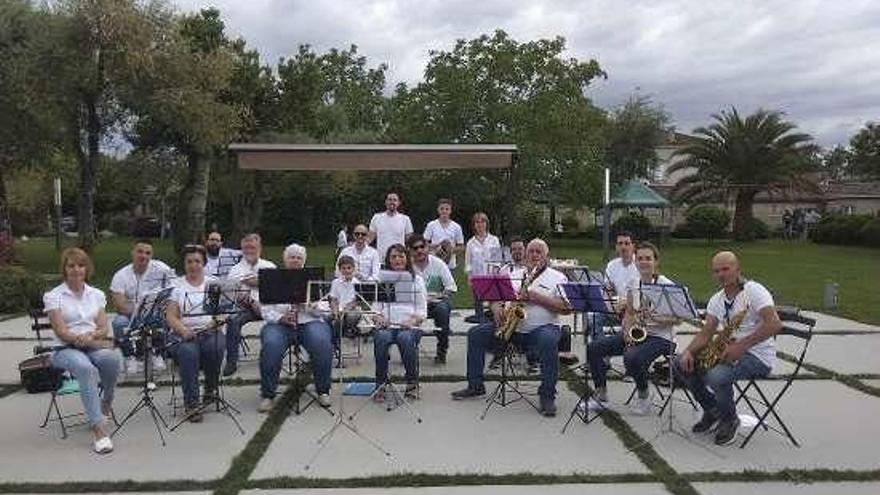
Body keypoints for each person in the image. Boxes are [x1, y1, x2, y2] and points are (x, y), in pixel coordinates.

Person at [673, 251, 782, 446]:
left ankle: (730, 419)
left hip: (758, 356)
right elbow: (706, 333)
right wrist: (689, 352)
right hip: (729, 350)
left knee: (716, 376)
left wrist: (742, 345)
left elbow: (774, 324)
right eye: (716, 271)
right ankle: (713, 410)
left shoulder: (754, 291)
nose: (721, 274)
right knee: (679, 363)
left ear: (738, 269)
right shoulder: (717, 299)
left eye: (726, 269)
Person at [452, 239, 570, 417]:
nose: (534, 255)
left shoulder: (558, 277)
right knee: (476, 334)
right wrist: (496, 307)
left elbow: (566, 308)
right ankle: (475, 385)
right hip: (512, 327)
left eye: (539, 252)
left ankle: (547, 396)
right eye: (531, 251)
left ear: (546, 256)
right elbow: (495, 297)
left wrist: (536, 298)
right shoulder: (515, 273)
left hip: (543, 328)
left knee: (547, 341)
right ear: (526, 254)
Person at [583, 242, 679, 415]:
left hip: (662, 338)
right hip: (637, 332)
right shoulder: (634, 283)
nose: (643, 262)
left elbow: (677, 319)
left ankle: (643, 395)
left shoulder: (667, 286)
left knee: (632, 357)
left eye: (648, 258)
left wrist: (656, 318)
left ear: (656, 262)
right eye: (640, 258)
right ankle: (600, 394)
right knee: (593, 348)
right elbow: (629, 312)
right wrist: (627, 330)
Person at [44, 248, 121, 454]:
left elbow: (104, 327)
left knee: (112, 359)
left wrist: (91, 337)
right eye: (71, 265)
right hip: (65, 348)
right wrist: (78, 339)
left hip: (92, 343)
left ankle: (105, 404)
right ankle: (99, 429)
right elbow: (60, 330)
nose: (76, 269)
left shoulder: (96, 294)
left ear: (87, 268)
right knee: (85, 368)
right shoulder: (54, 296)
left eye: (80, 265)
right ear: (65, 269)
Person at [258, 244, 334, 412]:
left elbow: (325, 310)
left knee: (322, 343)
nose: (295, 260)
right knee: (271, 345)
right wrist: (281, 318)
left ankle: (323, 390)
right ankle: (268, 394)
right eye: (292, 257)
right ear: (285, 260)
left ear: (303, 261)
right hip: (280, 324)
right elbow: (265, 309)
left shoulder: (313, 279)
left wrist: (309, 305)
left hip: (309, 321)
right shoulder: (273, 278)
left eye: (299, 257)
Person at [165, 244, 226, 423]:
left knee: (216, 347)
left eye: (197, 261)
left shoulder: (213, 283)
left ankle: (210, 389)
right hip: (183, 334)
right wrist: (183, 330)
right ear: (184, 264)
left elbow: (221, 311)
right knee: (188, 353)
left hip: (209, 331)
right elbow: (171, 316)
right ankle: (191, 404)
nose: (193, 265)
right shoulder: (176, 286)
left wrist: (216, 322)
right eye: (189, 262)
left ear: (204, 263)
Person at [109, 239, 175, 375]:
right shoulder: (120, 275)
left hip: (155, 312)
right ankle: (130, 357)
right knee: (118, 322)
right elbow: (120, 305)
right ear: (132, 253)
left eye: (147, 253)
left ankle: (157, 354)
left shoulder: (162, 269)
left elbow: (175, 291)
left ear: (151, 255)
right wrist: (141, 312)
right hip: (130, 314)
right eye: (139, 252)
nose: (143, 256)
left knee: (163, 316)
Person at [372, 244, 427, 400]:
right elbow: (375, 309)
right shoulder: (382, 280)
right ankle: (380, 384)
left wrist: (412, 320)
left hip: (409, 326)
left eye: (401, 256)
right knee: (381, 338)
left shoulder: (417, 280)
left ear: (407, 259)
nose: (397, 259)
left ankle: (411, 382)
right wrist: (379, 318)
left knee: (405, 338)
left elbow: (422, 311)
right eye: (393, 257)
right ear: (388, 260)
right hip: (387, 326)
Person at [223, 233, 276, 377]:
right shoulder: (235, 270)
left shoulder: (269, 266)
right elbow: (232, 293)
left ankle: (272, 356)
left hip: (269, 306)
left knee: (279, 318)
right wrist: (251, 296)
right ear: (242, 249)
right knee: (232, 320)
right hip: (246, 308)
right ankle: (231, 361)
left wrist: (258, 282)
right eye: (246, 248)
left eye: (253, 247)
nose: (249, 251)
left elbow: (277, 288)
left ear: (260, 248)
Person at [407, 234, 457, 364]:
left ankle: (442, 348)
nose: (419, 250)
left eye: (422, 247)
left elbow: (451, 288)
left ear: (427, 247)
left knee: (442, 309)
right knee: (403, 311)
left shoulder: (438, 264)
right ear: (410, 251)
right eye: (415, 248)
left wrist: (434, 297)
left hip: (436, 302)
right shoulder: (407, 267)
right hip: (414, 304)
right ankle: (408, 347)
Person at [586, 231, 640, 342]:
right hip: (615, 308)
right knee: (593, 320)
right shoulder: (612, 265)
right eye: (620, 244)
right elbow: (608, 289)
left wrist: (626, 305)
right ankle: (602, 352)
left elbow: (642, 294)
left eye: (627, 243)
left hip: (635, 310)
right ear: (616, 246)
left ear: (633, 246)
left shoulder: (640, 264)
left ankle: (622, 348)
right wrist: (611, 305)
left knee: (627, 324)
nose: (623, 247)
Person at [464, 212, 501, 323]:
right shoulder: (471, 243)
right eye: (477, 222)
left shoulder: (494, 240)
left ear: (486, 224)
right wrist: (470, 277)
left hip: (491, 275)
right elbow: (468, 262)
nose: (480, 224)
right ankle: (479, 318)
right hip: (477, 277)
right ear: (474, 225)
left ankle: (493, 319)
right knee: (478, 301)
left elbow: (497, 260)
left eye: (482, 222)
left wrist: (495, 275)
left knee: (493, 303)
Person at [368, 192, 414, 260]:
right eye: (389, 199)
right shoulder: (376, 218)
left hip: (399, 260)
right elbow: (369, 239)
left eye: (395, 200)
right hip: (381, 260)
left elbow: (410, 241)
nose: (392, 202)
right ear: (386, 202)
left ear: (398, 203)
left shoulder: (405, 219)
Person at [423, 198, 465, 270]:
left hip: (450, 265)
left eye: (447, 209)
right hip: (434, 264)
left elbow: (461, 247)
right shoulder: (431, 225)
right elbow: (423, 244)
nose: (444, 211)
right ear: (438, 210)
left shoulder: (456, 227)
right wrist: (436, 247)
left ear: (450, 211)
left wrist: (449, 250)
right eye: (442, 209)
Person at [329, 255, 363, 338]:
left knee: (352, 316)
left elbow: (356, 301)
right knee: (330, 318)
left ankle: (347, 330)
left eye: (349, 268)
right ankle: (336, 338)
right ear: (340, 269)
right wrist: (335, 310)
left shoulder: (358, 283)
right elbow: (333, 299)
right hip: (339, 308)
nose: (346, 271)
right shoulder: (335, 282)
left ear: (353, 268)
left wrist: (345, 310)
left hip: (352, 309)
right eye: (343, 268)